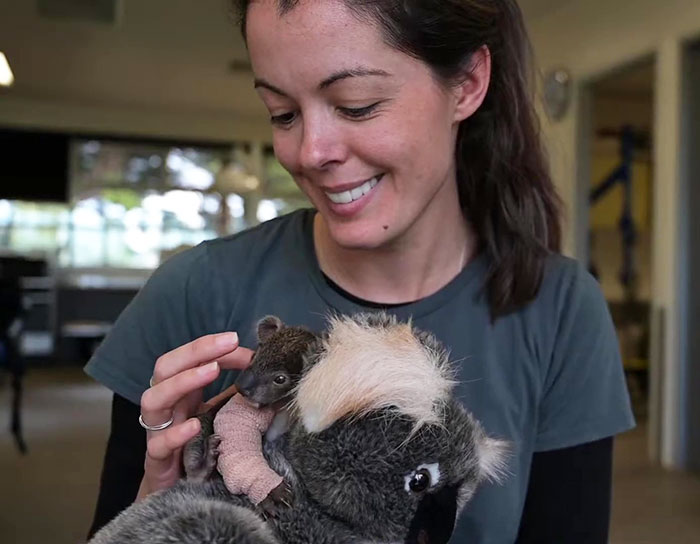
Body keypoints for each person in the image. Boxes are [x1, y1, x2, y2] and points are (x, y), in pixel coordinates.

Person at [85, 1, 635, 542]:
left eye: (356, 104)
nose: (310, 152)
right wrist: (159, 508)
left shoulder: (561, 310)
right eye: (282, 113)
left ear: (466, 83)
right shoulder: (193, 291)